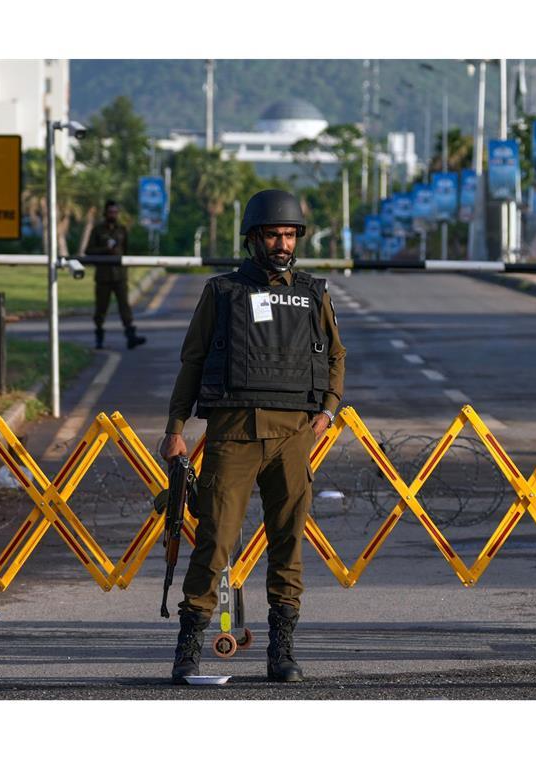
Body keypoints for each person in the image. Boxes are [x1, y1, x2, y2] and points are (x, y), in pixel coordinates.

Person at [159, 189, 346, 684]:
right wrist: (175, 429)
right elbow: (193, 361)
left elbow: (335, 357)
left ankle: (281, 652)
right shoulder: (222, 293)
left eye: (289, 234)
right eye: (273, 234)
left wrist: (327, 411)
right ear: (253, 239)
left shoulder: (313, 293)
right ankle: (188, 650)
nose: (282, 243)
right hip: (233, 434)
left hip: (292, 436)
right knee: (214, 543)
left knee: (288, 546)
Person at [84, 200, 146, 350]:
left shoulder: (121, 230)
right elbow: (89, 251)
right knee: (101, 308)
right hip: (103, 276)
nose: (113, 215)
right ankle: (99, 337)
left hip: (119, 275)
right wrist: (105, 250)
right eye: (111, 212)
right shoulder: (98, 230)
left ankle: (130, 335)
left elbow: (125, 251)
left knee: (124, 306)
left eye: (115, 212)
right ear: (105, 213)